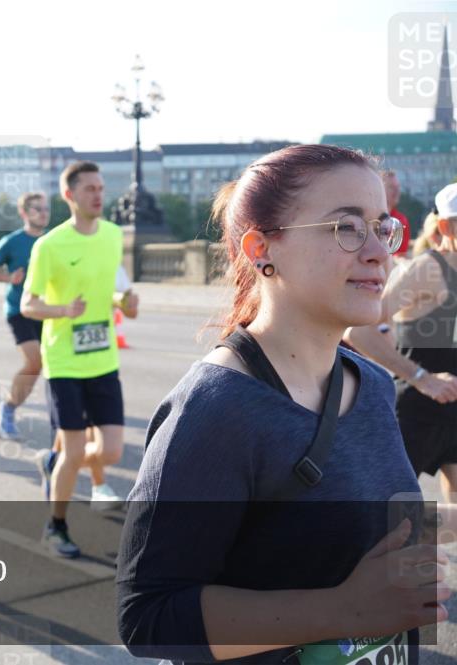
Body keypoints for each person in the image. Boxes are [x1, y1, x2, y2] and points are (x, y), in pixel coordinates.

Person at [116, 144, 440, 665]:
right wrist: (343, 610)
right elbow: (148, 616)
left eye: (382, 227)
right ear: (262, 248)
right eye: (347, 228)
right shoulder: (217, 408)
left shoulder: (375, 385)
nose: (381, 251)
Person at [21, 162, 128, 557]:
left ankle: (57, 465)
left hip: (103, 359)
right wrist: (64, 310)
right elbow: (28, 304)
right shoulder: (49, 245)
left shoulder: (114, 235)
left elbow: (112, 287)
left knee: (112, 452)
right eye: (89, 189)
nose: (98, 195)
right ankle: (56, 526)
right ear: (69, 195)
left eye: (101, 187)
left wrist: (124, 301)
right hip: (64, 361)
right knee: (76, 449)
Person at [345, 182, 457, 499]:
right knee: (391, 513)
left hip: (452, 409)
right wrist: (422, 378)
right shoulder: (428, 269)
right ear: (447, 226)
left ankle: (427, 543)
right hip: (416, 411)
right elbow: (359, 330)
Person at [0, 192, 50, 438]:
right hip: (19, 309)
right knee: (34, 362)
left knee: (53, 365)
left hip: (48, 310)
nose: (43, 213)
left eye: (45, 208)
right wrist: (9, 278)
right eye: (37, 209)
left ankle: (62, 420)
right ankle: (8, 409)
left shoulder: (53, 241)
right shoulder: (12, 241)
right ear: (24, 213)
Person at [382, 170, 411, 258]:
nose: (397, 191)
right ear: (380, 189)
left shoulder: (402, 220)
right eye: (391, 187)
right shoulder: (368, 217)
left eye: (398, 187)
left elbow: (401, 255)